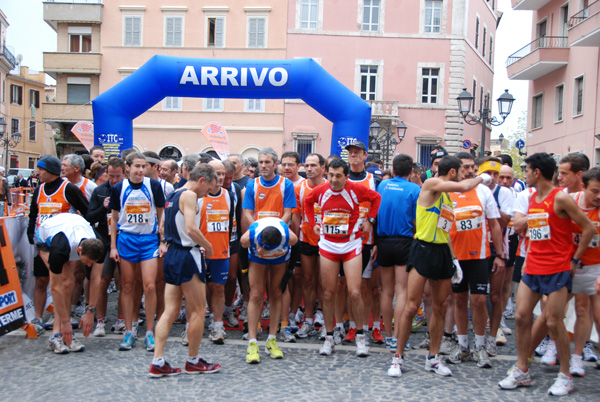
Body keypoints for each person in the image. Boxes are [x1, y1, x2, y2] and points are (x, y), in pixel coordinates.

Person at [499, 153, 595, 396]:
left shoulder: (560, 198)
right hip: (532, 266)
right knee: (521, 316)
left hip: (557, 268)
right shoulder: (533, 197)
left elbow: (589, 227)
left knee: (553, 321)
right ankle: (522, 370)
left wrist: (574, 259)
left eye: (527, 170)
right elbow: (532, 229)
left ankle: (565, 375)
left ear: (537, 172)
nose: (525, 174)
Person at [387, 155, 490, 378]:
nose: (466, 174)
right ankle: (397, 357)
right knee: (412, 306)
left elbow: (445, 229)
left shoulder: (446, 197)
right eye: (462, 170)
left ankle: (433, 358)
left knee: (441, 305)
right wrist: (481, 177)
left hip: (442, 251)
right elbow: (464, 185)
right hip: (423, 248)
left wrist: (454, 259)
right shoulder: (432, 184)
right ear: (452, 172)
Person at [304, 158, 381, 357]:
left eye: (339, 176)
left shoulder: (355, 189)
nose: (334, 180)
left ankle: (361, 337)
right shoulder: (321, 190)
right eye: (331, 175)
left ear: (346, 176)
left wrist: (370, 222)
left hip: (351, 244)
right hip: (328, 245)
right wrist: (313, 223)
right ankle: (329, 337)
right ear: (326, 174)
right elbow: (307, 202)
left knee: (355, 292)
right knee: (328, 293)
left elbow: (376, 199)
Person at [149, 163, 222, 377]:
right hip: (187, 255)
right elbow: (191, 228)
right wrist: (208, 246)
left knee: (170, 310)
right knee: (199, 310)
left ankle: (158, 360)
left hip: (172, 254)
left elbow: (162, 227)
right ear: (201, 180)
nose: (208, 193)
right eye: (208, 188)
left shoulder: (173, 194)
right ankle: (193, 360)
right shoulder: (189, 196)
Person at [444, 153, 503, 369]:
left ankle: (479, 346)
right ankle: (462, 345)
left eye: (472, 168)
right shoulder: (447, 191)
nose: (469, 171)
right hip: (456, 258)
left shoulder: (483, 191)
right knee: (459, 301)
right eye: (465, 168)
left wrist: (500, 255)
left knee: (478, 301)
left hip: (480, 255)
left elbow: (494, 224)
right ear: (457, 170)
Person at [241, 147, 296, 363]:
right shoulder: (251, 184)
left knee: (276, 293)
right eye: (261, 162)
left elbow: (288, 213)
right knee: (255, 294)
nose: (263, 165)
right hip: (258, 239)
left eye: (267, 162)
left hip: (279, 238)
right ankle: (253, 343)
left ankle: (272, 339)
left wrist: (274, 231)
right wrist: (260, 230)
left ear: (275, 164)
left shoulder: (286, 184)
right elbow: (246, 212)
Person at [109, 153, 166, 352]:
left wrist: (163, 240)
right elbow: (114, 219)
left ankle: (150, 331)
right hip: (127, 239)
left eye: (143, 166)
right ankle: (129, 330)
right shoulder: (118, 188)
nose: (140, 170)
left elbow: (161, 213)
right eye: (137, 166)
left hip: (149, 240)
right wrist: (113, 246)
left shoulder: (154, 186)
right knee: (127, 286)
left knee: (149, 285)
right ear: (128, 168)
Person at [27, 155, 89, 332]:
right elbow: (34, 214)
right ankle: (38, 318)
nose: (37, 172)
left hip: (62, 245)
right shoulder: (39, 190)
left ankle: (62, 315)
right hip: (43, 243)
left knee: (63, 281)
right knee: (41, 280)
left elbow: (86, 210)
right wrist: (30, 234)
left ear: (51, 171)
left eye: (41, 169)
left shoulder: (68, 188)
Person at [36, 213, 104, 354]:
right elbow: (55, 288)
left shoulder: (98, 244)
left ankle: (64, 334)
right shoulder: (60, 249)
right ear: (79, 250)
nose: (89, 265)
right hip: (46, 239)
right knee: (66, 283)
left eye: (92, 262)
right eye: (87, 261)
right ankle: (56, 335)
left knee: (70, 283)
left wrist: (91, 311)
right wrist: (66, 322)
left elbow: (96, 279)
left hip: (72, 227)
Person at [375, 154, 420, 351]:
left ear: (393, 170)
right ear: (411, 171)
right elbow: (417, 219)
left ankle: (387, 336)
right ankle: (398, 335)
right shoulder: (415, 189)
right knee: (402, 291)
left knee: (386, 291)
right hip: (404, 241)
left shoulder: (382, 186)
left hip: (383, 240)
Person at [345, 141, 382, 344]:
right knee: (352, 287)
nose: (353, 156)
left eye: (357, 152)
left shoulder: (373, 179)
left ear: (365, 156)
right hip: (346, 241)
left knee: (371, 288)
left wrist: (375, 234)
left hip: (368, 240)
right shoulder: (341, 178)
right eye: (350, 153)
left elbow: (379, 208)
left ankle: (374, 326)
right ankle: (353, 326)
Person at [477, 157, 514, 354]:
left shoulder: (504, 192)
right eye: (488, 174)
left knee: (495, 295)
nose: (492, 178)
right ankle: (479, 336)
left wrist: (491, 203)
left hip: (498, 248)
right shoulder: (474, 190)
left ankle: (494, 334)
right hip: (477, 248)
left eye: (495, 174)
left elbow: (506, 221)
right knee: (478, 297)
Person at [86, 157, 126, 337]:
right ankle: (100, 321)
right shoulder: (100, 191)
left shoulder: (129, 190)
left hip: (123, 241)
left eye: (118, 176)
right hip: (103, 240)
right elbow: (90, 217)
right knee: (101, 282)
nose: (114, 180)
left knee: (124, 283)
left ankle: (121, 320)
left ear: (124, 174)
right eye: (111, 176)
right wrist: (103, 208)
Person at [569, 167, 600, 376]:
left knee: (591, 313)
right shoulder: (570, 201)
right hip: (569, 266)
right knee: (549, 310)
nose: (599, 196)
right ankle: (556, 347)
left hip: (595, 267)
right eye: (595, 191)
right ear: (583, 187)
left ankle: (578, 357)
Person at [199, 160, 234, 344]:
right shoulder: (197, 196)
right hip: (201, 252)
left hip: (221, 251)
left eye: (223, 173)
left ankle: (217, 324)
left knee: (219, 287)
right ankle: (193, 325)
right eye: (217, 173)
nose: (220, 177)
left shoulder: (228, 195)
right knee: (199, 289)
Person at [292, 153, 326, 339]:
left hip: (327, 240)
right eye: (307, 165)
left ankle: (322, 313)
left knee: (325, 280)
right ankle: (309, 317)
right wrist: (296, 239)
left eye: (313, 165)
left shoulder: (330, 186)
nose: (309, 168)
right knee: (308, 279)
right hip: (306, 238)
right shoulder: (300, 188)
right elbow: (296, 216)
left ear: (323, 168)